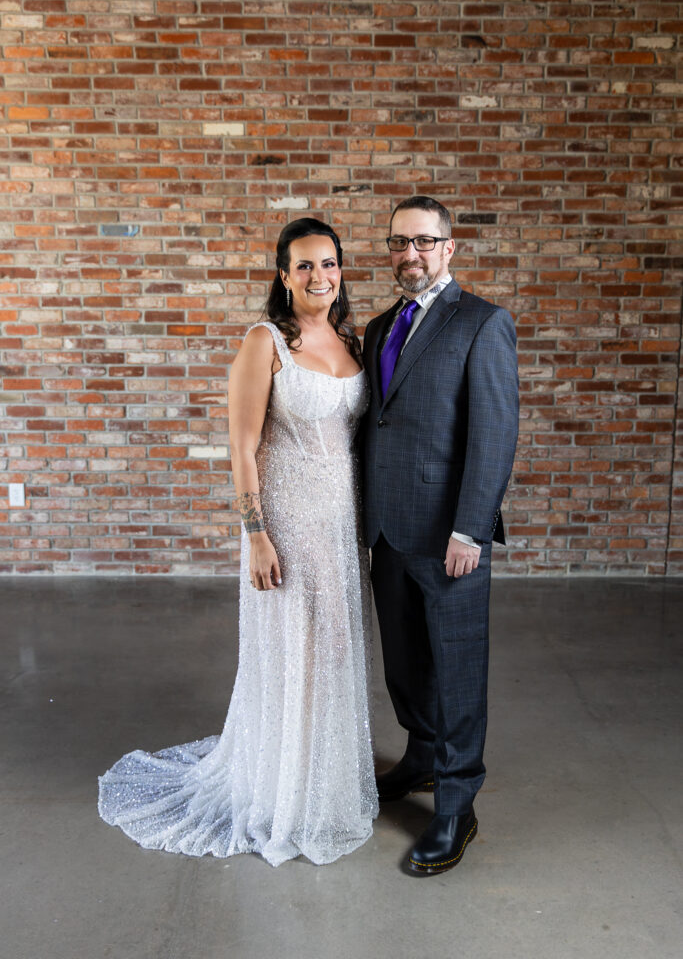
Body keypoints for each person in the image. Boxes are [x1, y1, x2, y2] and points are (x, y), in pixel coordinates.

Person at [98, 217, 378, 866]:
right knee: (291, 656)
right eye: (303, 265)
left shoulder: (348, 341)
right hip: (284, 522)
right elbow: (242, 447)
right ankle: (279, 793)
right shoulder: (265, 342)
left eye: (328, 264)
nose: (318, 276)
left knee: (332, 651)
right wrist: (255, 535)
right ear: (283, 276)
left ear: (341, 271)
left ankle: (323, 782)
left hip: (339, 527)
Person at [362, 195, 518, 876]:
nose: (411, 254)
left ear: (449, 249)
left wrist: (470, 528)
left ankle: (456, 804)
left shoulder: (481, 323)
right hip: (388, 531)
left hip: (449, 535)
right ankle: (421, 756)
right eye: (399, 242)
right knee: (404, 662)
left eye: (424, 242)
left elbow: (494, 434)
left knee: (455, 671)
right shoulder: (376, 327)